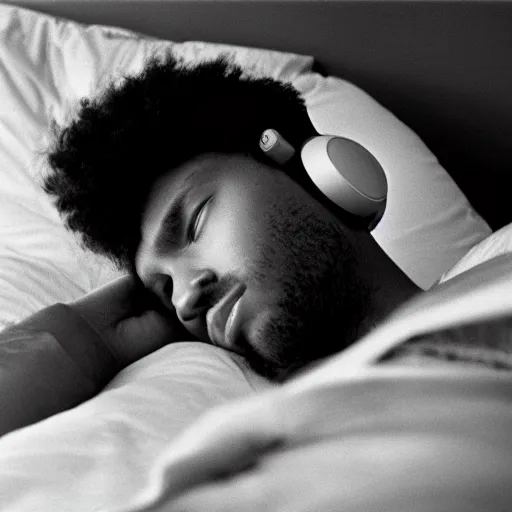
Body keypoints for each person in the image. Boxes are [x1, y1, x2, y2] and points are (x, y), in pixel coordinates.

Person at [0, 52, 502, 442]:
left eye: (195, 222)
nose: (183, 300)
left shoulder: (497, 268)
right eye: (162, 288)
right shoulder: (218, 406)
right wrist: (92, 336)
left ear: (306, 169)